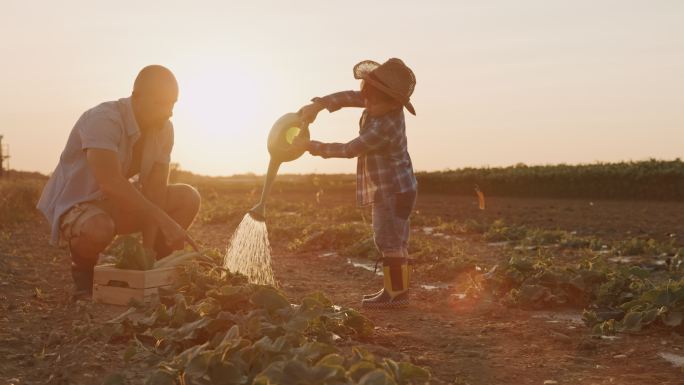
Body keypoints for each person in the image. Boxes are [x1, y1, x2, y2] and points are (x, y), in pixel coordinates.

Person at [37, 65, 200, 296]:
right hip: (80, 205)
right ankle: (83, 273)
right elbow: (110, 182)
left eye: (172, 104)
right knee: (98, 228)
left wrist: (147, 249)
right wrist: (164, 220)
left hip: (117, 205)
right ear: (137, 97)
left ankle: (157, 272)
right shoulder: (103, 119)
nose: (169, 112)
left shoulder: (164, 129)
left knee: (187, 197)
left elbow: (156, 189)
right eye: (161, 103)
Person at [294, 58, 418, 309]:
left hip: (391, 191)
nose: (366, 103)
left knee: (389, 240)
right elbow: (353, 97)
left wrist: (310, 147)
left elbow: (350, 149)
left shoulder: (384, 127)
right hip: (399, 187)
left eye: (372, 100)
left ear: (394, 102)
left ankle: (395, 295)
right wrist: (319, 105)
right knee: (394, 240)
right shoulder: (380, 102)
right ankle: (397, 291)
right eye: (366, 97)